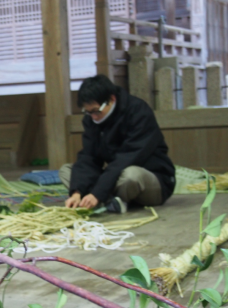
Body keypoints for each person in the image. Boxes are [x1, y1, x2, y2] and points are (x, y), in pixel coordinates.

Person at [60, 74, 175, 213]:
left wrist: (97, 192)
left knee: (131, 175)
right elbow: (89, 158)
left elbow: (128, 158)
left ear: (112, 99)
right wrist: (77, 192)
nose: (94, 117)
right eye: (88, 112)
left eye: (96, 111)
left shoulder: (138, 111)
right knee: (67, 170)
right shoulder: (91, 119)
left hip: (152, 179)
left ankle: (103, 199)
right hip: (116, 176)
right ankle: (107, 200)